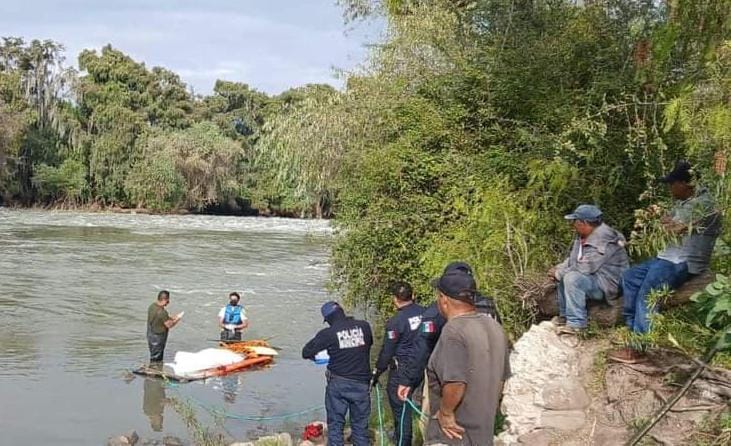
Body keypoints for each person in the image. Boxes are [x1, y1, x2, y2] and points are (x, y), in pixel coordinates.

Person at [609, 161, 722, 363]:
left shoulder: (703, 204)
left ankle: (639, 347)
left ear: (685, 184)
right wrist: (668, 222)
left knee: (648, 292)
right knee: (629, 277)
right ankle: (631, 328)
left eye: (672, 184)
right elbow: (667, 222)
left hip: (681, 262)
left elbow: (671, 228)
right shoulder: (685, 203)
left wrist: (668, 223)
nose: (670, 188)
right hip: (667, 257)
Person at [424, 269, 510, 446]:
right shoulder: (494, 327)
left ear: (443, 299)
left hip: (453, 436)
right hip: (483, 434)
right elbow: (501, 380)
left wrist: (446, 413)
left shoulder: (453, 331)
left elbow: (456, 382)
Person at [396, 261, 501, 403]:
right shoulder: (489, 306)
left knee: (438, 421)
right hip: (486, 379)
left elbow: (423, 349)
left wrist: (408, 381)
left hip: (448, 381)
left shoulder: (438, 311)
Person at [548, 204, 629, 335]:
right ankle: (564, 317)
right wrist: (559, 268)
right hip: (593, 277)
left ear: (584, 223)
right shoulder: (583, 235)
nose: (573, 224)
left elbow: (585, 267)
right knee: (565, 276)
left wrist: (558, 273)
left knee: (572, 278)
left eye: (575, 221)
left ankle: (576, 324)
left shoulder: (604, 239)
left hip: (607, 283)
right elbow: (573, 259)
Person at [302, 301, 373, 446]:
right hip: (362, 384)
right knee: (360, 428)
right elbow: (368, 345)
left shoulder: (328, 333)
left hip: (338, 384)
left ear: (328, 319)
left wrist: (317, 356)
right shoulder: (364, 326)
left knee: (335, 427)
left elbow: (306, 352)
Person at [370, 281, 425, 446]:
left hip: (402, 370)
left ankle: (403, 442)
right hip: (423, 367)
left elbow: (387, 351)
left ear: (395, 299)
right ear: (413, 295)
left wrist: (377, 372)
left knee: (401, 410)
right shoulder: (427, 313)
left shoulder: (396, 322)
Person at [147, 290, 182, 363]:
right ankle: (154, 370)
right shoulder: (162, 312)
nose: (168, 303)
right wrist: (177, 319)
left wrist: (171, 317)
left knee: (153, 354)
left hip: (150, 334)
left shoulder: (152, 306)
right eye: (167, 301)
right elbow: (169, 325)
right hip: (158, 338)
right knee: (156, 358)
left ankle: (153, 368)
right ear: (164, 300)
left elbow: (161, 317)